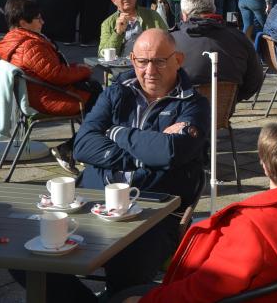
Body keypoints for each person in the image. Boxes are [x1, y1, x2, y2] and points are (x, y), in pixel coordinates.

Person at [122, 117, 277, 303]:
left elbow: (205, 289)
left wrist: (150, 299)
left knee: (125, 295)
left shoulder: (252, 226)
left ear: (263, 165)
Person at [54, 28, 210, 301]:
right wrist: (143, 155)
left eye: (160, 61)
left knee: (126, 271)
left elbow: (171, 152)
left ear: (179, 59)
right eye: (142, 61)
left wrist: (116, 133)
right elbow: (82, 146)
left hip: (152, 216)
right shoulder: (116, 93)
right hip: (92, 204)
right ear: (132, 60)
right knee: (32, 260)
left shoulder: (194, 106)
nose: (150, 70)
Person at [0, 0, 101, 175]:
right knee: (103, 106)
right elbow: (56, 75)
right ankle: (70, 150)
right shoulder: (29, 45)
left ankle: (82, 149)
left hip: (42, 92)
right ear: (23, 22)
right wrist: (83, 71)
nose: (42, 21)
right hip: (47, 98)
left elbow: (51, 71)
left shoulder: (16, 40)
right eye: (38, 18)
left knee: (97, 94)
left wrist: (76, 69)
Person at [172, 0, 264, 101]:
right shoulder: (239, 38)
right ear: (213, 10)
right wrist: (231, 99)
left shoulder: (170, 41)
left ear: (184, 16)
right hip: (223, 110)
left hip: (178, 111)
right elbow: (255, 81)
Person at [99, 0, 167, 57]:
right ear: (113, 0)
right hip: (120, 67)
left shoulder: (152, 15)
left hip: (148, 63)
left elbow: (166, 41)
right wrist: (117, 33)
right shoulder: (108, 23)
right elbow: (102, 55)